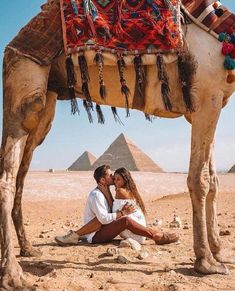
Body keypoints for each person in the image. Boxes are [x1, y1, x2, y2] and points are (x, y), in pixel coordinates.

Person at [55, 165, 179, 245]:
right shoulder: (96, 195)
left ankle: (76, 235)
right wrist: (122, 213)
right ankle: (156, 235)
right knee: (123, 220)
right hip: (95, 235)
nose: (113, 176)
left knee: (117, 218)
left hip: (101, 229)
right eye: (110, 175)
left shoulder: (106, 192)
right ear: (103, 180)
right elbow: (103, 219)